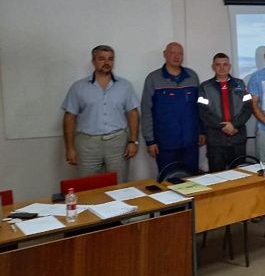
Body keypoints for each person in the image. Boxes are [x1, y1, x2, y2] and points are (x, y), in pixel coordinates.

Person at [62, 45, 140, 181]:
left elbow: (133, 113)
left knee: (119, 185)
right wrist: (70, 148)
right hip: (87, 144)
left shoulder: (125, 86)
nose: (107, 62)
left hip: (117, 143)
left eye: (110, 59)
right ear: (93, 61)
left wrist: (133, 141)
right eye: (101, 59)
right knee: (88, 186)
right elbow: (69, 117)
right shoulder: (78, 87)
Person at [142, 42, 203, 177]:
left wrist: (202, 131)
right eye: (172, 53)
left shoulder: (192, 76)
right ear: (165, 54)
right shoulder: (153, 78)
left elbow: (199, 107)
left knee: (192, 181)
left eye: (180, 53)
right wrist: (150, 141)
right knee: (168, 181)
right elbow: (146, 110)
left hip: (190, 142)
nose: (177, 56)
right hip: (165, 144)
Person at [198, 53, 253, 172]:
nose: (222, 68)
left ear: (230, 66)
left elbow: (248, 108)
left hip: (237, 139)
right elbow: (204, 112)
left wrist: (234, 124)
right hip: (216, 141)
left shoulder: (240, 84)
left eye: (225, 64)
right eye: (218, 65)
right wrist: (224, 126)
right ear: (213, 67)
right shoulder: (205, 87)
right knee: (217, 177)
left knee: (239, 175)